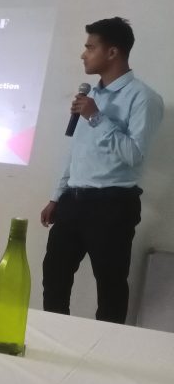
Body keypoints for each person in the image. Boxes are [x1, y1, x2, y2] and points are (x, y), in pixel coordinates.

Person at [40, 17, 164, 324]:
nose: (83, 55)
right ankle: (57, 339)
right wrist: (57, 196)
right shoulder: (90, 97)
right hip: (72, 201)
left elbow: (134, 155)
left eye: (90, 47)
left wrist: (97, 119)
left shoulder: (143, 98)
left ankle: (104, 345)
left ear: (112, 52)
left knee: (110, 288)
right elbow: (76, 149)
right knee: (54, 277)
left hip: (112, 206)